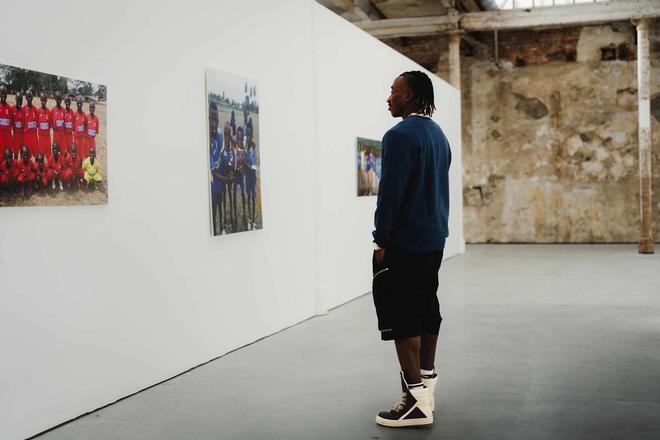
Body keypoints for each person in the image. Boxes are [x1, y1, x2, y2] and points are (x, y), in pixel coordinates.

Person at [371, 71, 451, 428]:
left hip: (405, 241)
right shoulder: (439, 136)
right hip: (434, 240)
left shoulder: (399, 135)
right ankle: (426, 387)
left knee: (403, 317)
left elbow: (391, 194)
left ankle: (415, 401)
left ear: (410, 96)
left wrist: (381, 239)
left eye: (393, 91)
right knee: (427, 310)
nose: (389, 98)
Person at [209, 102, 224, 235]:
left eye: (216, 120)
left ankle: (222, 228)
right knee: (212, 210)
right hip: (212, 182)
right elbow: (212, 171)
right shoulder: (206, 140)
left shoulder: (220, 135)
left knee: (220, 203)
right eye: (211, 120)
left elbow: (221, 155)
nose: (214, 124)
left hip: (219, 181)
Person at [219, 122, 236, 233]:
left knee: (230, 195)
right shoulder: (222, 149)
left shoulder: (232, 149)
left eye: (228, 134)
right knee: (224, 195)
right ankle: (225, 218)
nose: (226, 137)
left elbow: (233, 164)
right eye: (225, 134)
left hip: (230, 177)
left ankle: (232, 218)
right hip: (224, 177)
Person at [232, 126, 247, 230]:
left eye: (240, 133)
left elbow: (244, 157)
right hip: (235, 173)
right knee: (233, 193)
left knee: (242, 193)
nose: (239, 134)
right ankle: (234, 215)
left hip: (241, 173)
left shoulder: (243, 145)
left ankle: (245, 213)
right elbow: (233, 156)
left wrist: (242, 161)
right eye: (238, 132)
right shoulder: (235, 144)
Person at [245, 122, 258, 230]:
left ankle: (253, 220)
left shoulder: (253, 148)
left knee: (253, 198)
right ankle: (249, 219)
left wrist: (245, 163)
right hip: (247, 177)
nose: (248, 137)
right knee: (248, 197)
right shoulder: (245, 147)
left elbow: (253, 166)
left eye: (250, 135)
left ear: (252, 135)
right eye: (247, 135)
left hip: (252, 177)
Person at [21, 91, 39, 158]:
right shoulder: (23, 109)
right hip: (27, 136)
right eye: (28, 97)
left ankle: (36, 165)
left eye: (30, 96)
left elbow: (37, 123)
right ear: (26, 98)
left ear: (32, 97)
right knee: (27, 154)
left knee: (36, 154)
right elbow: (23, 123)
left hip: (34, 135)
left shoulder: (35, 110)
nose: (29, 98)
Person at [51, 92, 67, 156]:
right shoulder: (53, 110)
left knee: (63, 151)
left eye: (60, 99)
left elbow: (65, 123)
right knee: (56, 151)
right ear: (55, 99)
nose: (59, 100)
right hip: (56, 134)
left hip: (62, 135)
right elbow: (51, 124)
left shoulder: (63, 110)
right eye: (57, 99)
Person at [37, 92, 52, 157]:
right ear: (40, 100)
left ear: (46, 101)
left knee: (48, 155)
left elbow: (50, 125)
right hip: (41, 137)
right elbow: (37, 124)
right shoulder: (38, 112)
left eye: (44, 101)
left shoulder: (49, 112)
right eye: (42, 100)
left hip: (47, 137)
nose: (43, 102)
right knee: (41, 155)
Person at [0, 86, 13, 155]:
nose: (3, 95)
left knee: (8, 155)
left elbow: (11, 124)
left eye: (5, 93)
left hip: (8, 136)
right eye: (2, 93)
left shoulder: (10, 108)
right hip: (0, 136)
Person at [11, 92, 24, 160]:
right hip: (15, 136)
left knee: (22, 152)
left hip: (22, 135)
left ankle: (21, 164)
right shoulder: (12, 109)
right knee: (15, 153)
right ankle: (15, 164)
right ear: (15, 99)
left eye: (21, 100)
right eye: (18, 100)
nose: (19, 102)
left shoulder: (23, 110)